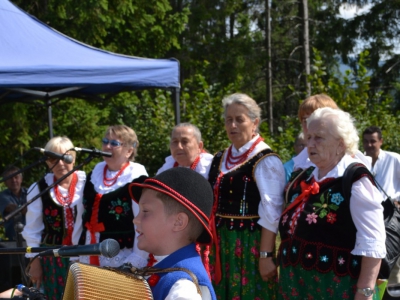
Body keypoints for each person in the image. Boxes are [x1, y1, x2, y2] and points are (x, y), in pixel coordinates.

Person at [278, 107, 386, 299]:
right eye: (308, 137)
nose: (310, 143)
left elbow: (373, 241)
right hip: (296, 286)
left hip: (335, 289)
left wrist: (365, 291)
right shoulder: (304, 176)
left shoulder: (355, 180)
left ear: (341, 144)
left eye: (318, 137)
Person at [208, 93, 285, 299]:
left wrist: (266, 255)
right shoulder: (219, 158)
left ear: (255, 123)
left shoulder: (266, 160)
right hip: (222, 244)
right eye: (228, 120)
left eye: (239, 119)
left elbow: (272, 212)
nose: (233, 125)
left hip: (251, 245)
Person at [128, 167, 216, 300]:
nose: (136, 219)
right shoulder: (165, 270)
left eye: (145, 211)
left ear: (178, 222)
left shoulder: (183, 287)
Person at [21, 136, 86, 300]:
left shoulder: (87, 182)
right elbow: (32, 228)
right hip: (52, 258)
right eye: (53, 159)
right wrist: (34, 262)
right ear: (47, 162)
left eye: (65, 158)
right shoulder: (40, 187)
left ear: (74, 157)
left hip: (84, 253)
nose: (60, 164)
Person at [79, 125, 149, 268]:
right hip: (89, 250)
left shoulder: (136, 177)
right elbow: (81, 214)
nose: (107, 146)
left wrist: (136, 260)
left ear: (129, 151)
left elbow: (142, 222)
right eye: (105, 141)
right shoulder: (95, 173)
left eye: (114, 143)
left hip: (121, 255)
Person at [362, 126, 400, 298]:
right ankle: (377, 293)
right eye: (366, 141)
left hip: (392, 215)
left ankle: (393, 294)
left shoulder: (394, 159)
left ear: (381, 141)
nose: (369, 145)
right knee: (373, 258)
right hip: (369, 216)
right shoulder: (360, 161)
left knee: (394, 260)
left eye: (373, 141)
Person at [293, 93, 372, 171]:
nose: (309, 126)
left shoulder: (351, 163)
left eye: (313, 120)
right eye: (305, 121)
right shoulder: (301, 159)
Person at [0, 166, 27, 241]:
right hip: (13, 239)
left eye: (16, 177)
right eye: (10, 178)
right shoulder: (2, 196)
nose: (13, 180)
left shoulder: (30, 192)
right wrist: (28, 208)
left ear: (21, 179)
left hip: (32, 236)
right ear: (5, 182)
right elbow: (13, 208)